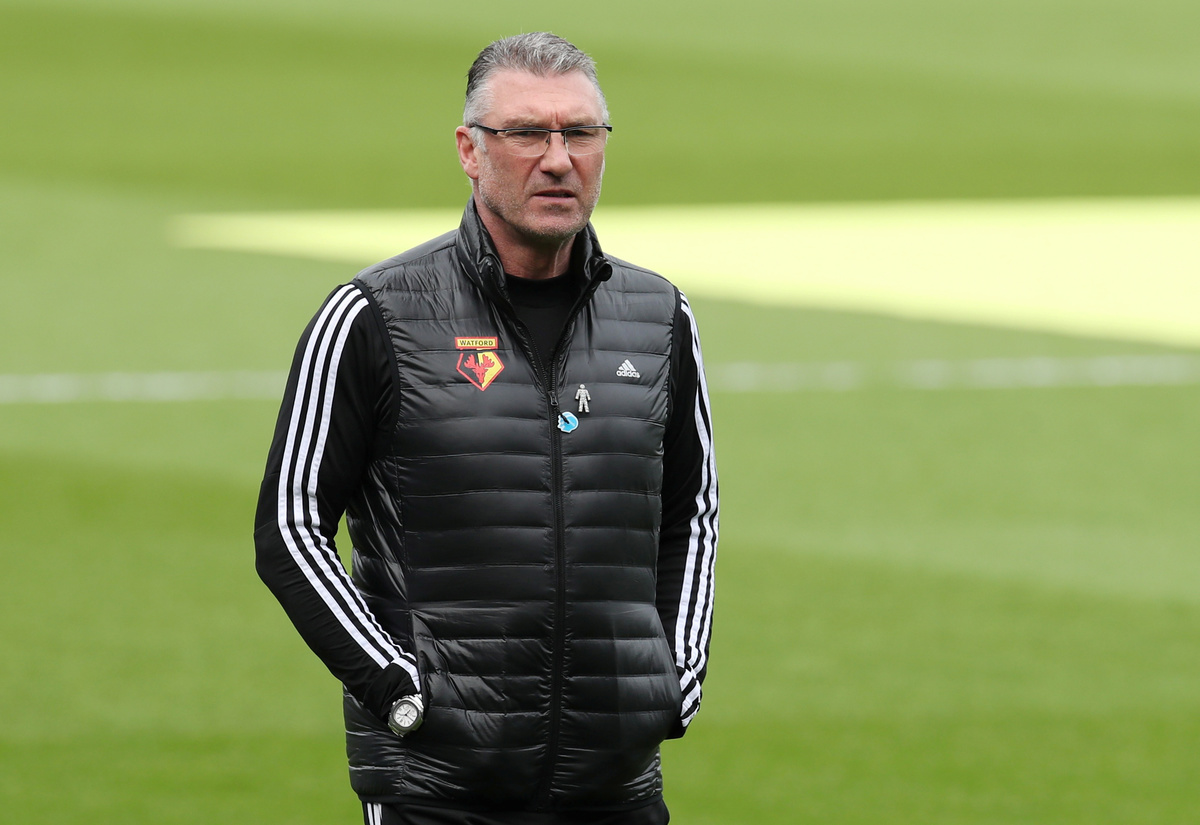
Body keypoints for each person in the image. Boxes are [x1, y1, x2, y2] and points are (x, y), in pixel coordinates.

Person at [253, 32, 718, 825]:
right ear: (470, 150)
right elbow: (290, 527)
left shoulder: (658, 316)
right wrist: (395, 687)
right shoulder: (375, 315)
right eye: (527, 133)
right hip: (437, 792)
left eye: (580, 133)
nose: (559, 159)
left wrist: (672, 680)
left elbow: (691, 511)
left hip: (616, 789)